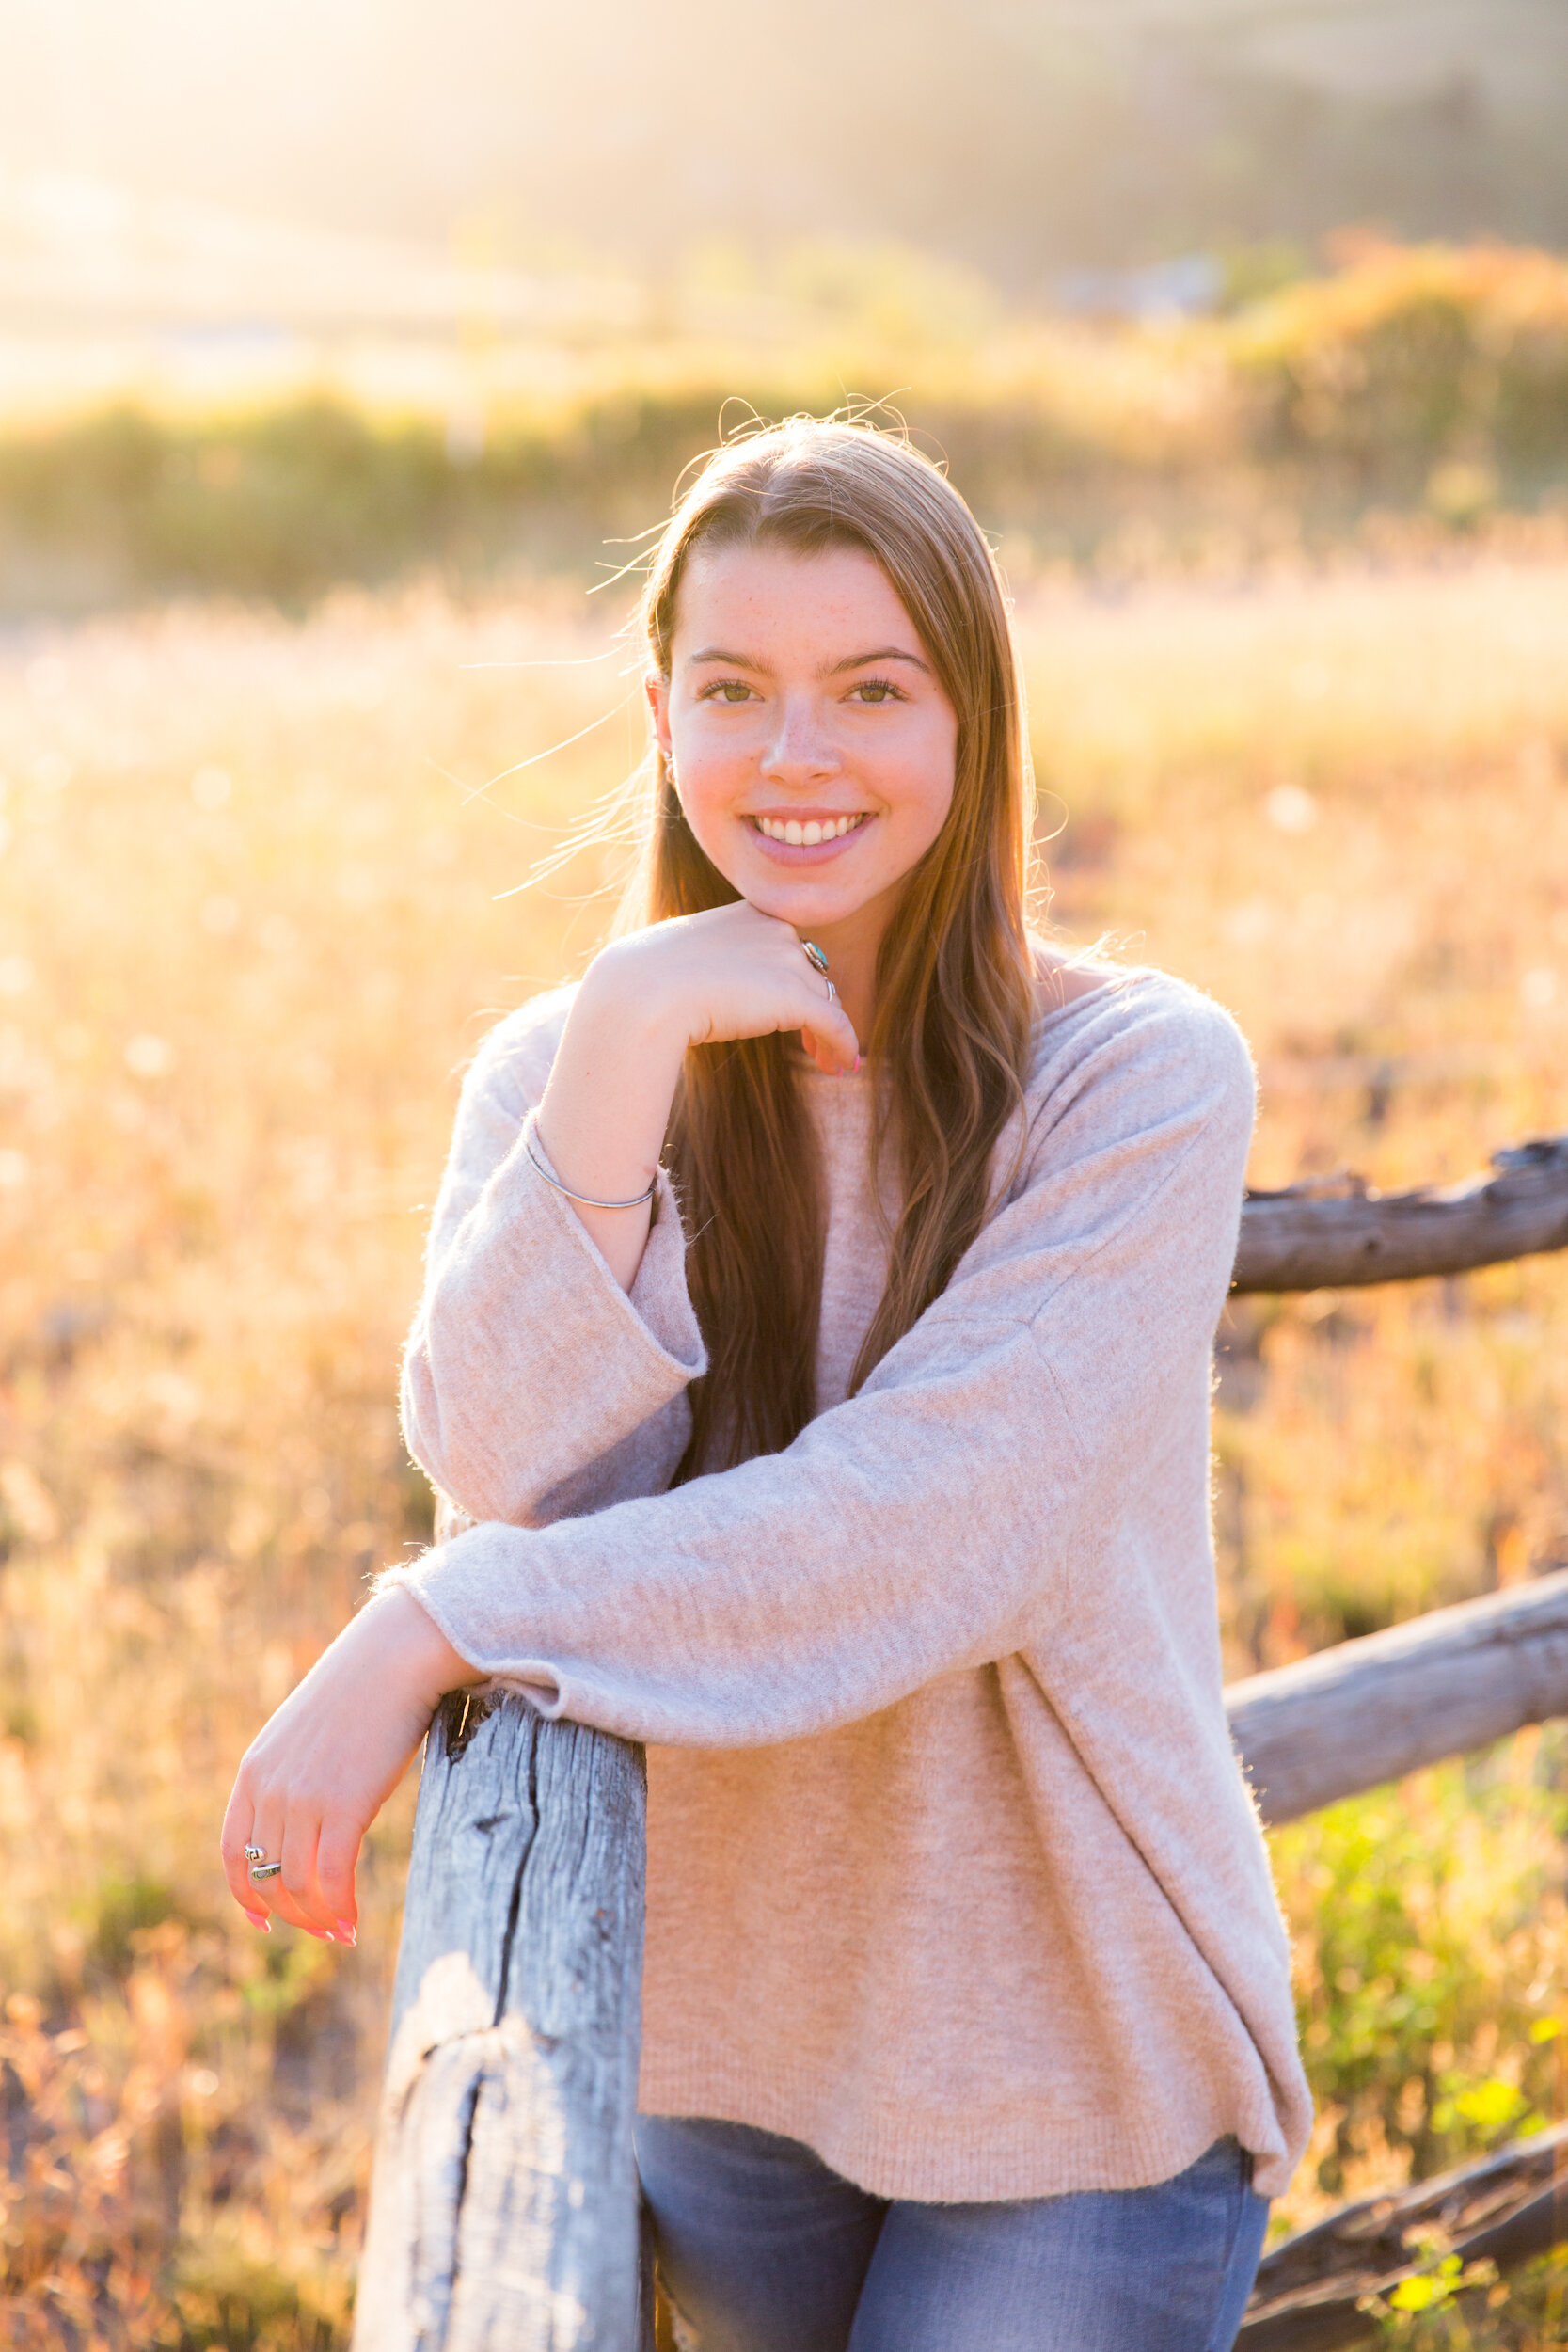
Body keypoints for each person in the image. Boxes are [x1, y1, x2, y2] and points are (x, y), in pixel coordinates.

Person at [222, 417, 1310, 2350]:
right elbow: (495, 1455)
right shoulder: (575, 1065)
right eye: (736, 691)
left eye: (871, 689)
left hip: (1068, 2048)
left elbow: (929, 1527)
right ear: (662, 717)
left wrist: (426, 1623)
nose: (796, 755)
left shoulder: (1135, 1076)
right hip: (725, 2039)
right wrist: (628, 1039)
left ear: (973, 719)